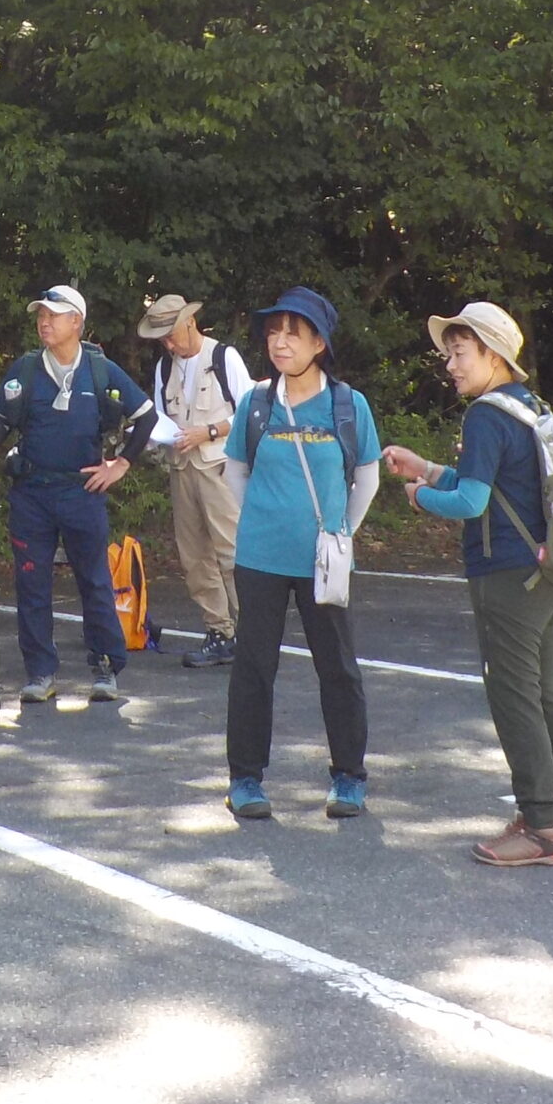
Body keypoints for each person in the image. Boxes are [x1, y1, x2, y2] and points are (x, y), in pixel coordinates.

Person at [384, 301, 553, 868]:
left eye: (460, 353)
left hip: (504, 575)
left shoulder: (483, 415)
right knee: (545, 691)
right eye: (449, 353)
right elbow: (493, 484)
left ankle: (541, 828)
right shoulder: (529, 407)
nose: (450, 364)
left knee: (514, 697)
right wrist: (427, 468)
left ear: (493, 355)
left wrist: (420, 497)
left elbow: (470, 502)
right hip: (547, 569)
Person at [216, 288, 377, 822]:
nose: (279, 342)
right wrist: (261, 517)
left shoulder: (347, 405)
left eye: (293, 333)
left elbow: (367, 477)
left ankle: (349, 777)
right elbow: (235, 470)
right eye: (273, 332)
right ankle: (245, 779)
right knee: (253, 667)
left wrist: (340, 530)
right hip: (259, 556)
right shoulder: (257, 402)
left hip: (323, 561)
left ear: (319, 344)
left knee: (338, 669)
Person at [0, 284, 157, 705]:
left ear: (76, 321)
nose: (44, 322)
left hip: (82, 492)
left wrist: (120, 464)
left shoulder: (100, 369)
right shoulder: (24, 368)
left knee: (94, 581)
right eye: (41, 315)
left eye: (53, 315)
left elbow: (146, 416)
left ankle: (106, 668)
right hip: (31, 494)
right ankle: (40, 673)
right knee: (31, 585)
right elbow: (1, 420)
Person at [137, 294, 255, 670]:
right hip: (182, 469)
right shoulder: (163, 368)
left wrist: (208, 431)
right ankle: (219, 632)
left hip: (221, 469)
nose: (168, 345)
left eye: (170, 335)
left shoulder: (224, 357)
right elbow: (159, 419)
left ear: (190, 323)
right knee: (194, 558)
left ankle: (255, 633)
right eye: (161, 339)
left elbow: (252, 411)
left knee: (233, 553)